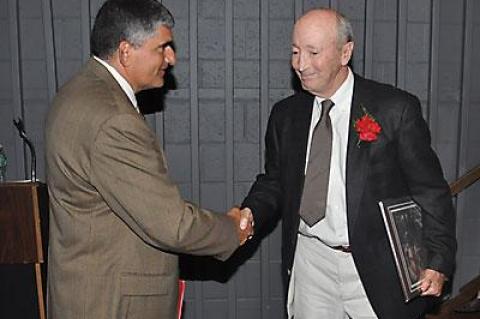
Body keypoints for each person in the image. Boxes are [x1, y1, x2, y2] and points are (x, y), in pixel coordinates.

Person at [241, 8, 456, 319]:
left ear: (345, 52)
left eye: (313, 52)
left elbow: (431, 191)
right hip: (311, 260)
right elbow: (275, 182)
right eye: (295, 52)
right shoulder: (286, 115)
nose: (301, 64)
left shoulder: (394, 109)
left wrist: (439, 259)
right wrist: (250, 212)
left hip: (377, 266)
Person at [45, 1, 253, 318]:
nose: (171, 58)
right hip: (112, 304)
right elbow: (172, 224)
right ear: (126, 51)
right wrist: (232, 230)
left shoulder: (77, 93)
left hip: (86, 294)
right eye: (162, 47)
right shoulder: (113, 117)